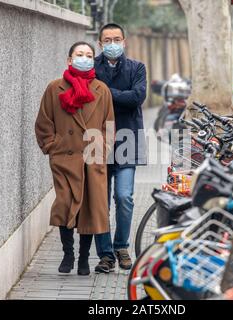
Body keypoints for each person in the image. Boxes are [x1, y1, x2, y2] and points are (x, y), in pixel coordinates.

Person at [35, 41, 115, 276]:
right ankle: (68, 253)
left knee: (89, 209)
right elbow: (43, 122)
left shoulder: (102, 89)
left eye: (89, 55)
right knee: (65, 205)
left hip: (92, 160)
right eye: (79, 54)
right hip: (64, 158)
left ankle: (83, 259)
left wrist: (102, 148)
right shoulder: (54, 88)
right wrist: (52, 146)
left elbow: (108, 125)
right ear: (69, 60)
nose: (85, 58)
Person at [93, 23, 148, 273]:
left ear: (124, 41)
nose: (112, 43)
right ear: (100, 43)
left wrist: (103, 92)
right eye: (107, 39)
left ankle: (121, 246)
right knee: (99, 201)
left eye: (116, 39)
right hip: (96, 140)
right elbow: (87, 98)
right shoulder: (91, 68)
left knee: (124, 197)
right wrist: (119, 95)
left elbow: (137, 97)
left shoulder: (137, 68)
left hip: (128, 138)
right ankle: (105, 255)